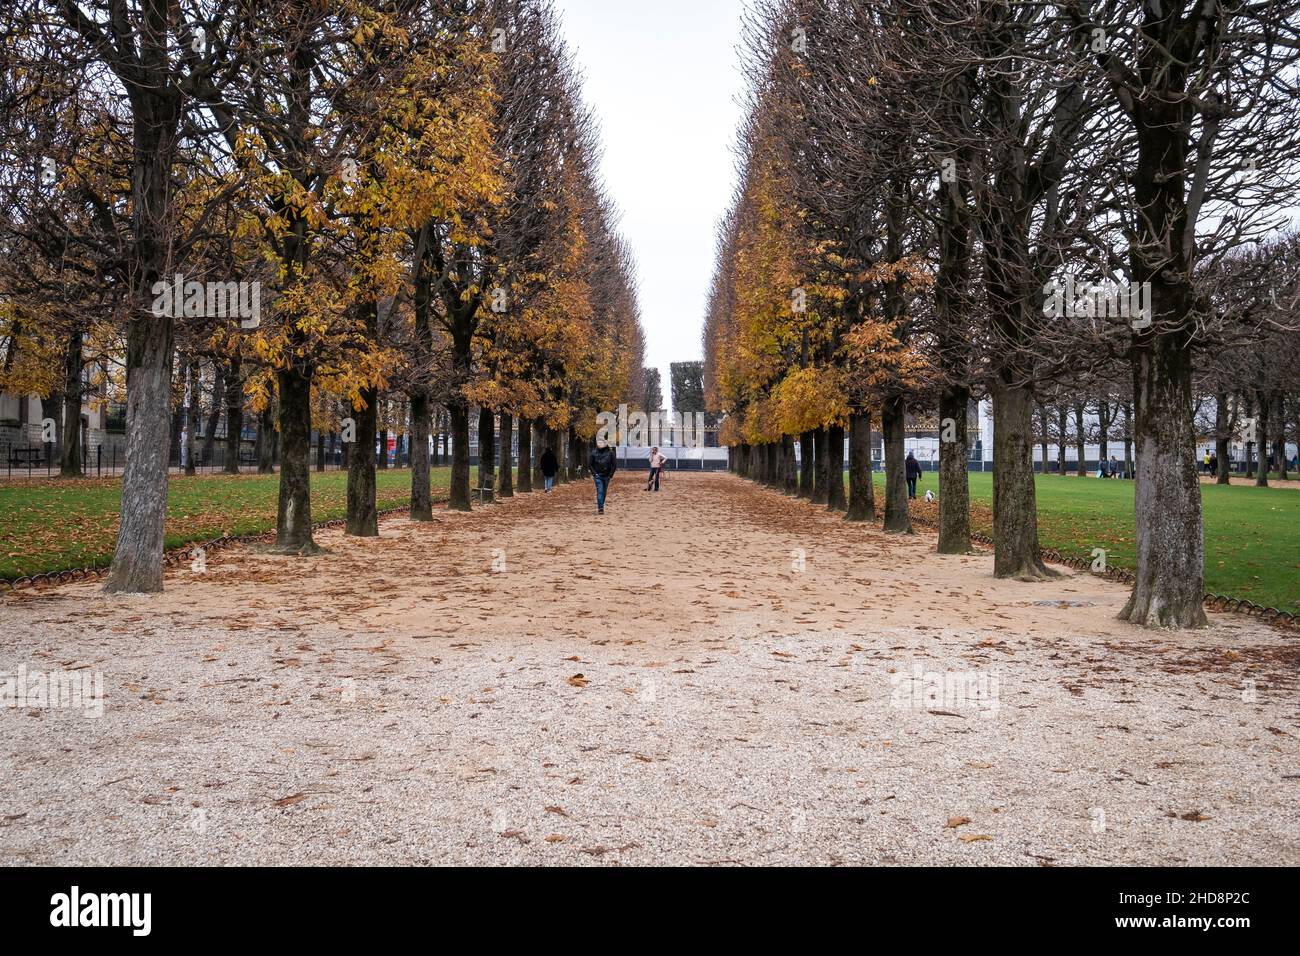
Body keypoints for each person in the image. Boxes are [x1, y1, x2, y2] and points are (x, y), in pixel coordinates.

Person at [589, 437, 617, 514]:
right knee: (600, 491)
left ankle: (601, 505)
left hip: (607, 476)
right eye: (599, 443)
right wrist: (595, 474)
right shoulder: (593, 453)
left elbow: (614, 465)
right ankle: (600, 508)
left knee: (604, 492)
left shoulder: (610, 453)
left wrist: (611, 475)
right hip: (598, 476)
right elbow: (590, 465)